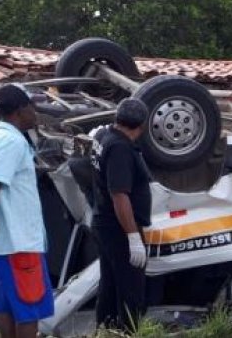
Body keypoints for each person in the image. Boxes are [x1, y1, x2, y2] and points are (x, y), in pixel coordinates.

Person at [0, 84, 53, 338]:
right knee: (29, 311)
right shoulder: (11, 141)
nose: (35, 113)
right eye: (32, 107)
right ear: (20, 110)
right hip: (20, 245)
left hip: (2, 246)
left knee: (7, 311)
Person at [91, 98, 152, 331]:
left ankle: (105, 329)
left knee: (110, 284)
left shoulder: (102, 136)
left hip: (104, 222)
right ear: (142, 125)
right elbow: (120, 196)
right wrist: (133, 237)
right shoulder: (120, 148)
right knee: (130, 291)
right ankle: (127, 332)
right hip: (119, 228)